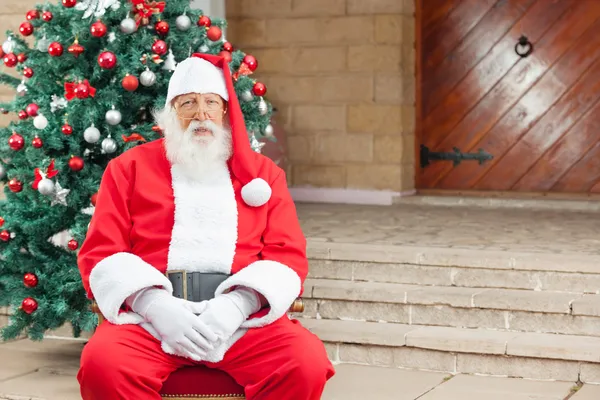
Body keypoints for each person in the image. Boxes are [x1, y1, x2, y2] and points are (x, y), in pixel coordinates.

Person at [76, 53, 335, 399]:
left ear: (225, 112)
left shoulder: (262, 175)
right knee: (103, 365)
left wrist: (239, 304)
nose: (201, 114)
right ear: (170, 113)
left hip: (241, 321)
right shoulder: (129, 168)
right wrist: (153, 304)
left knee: (304, 362)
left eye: (211, 103)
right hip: (152, 321)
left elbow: (286, 255)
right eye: (188, 104)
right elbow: (103, 252)